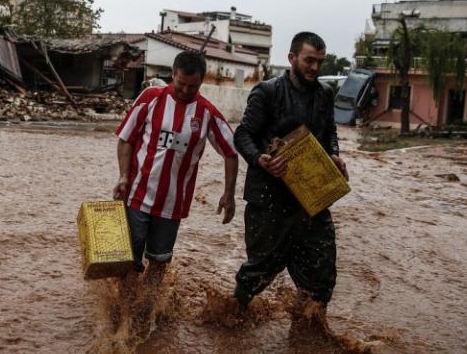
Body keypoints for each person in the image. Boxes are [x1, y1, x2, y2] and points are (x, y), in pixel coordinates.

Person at [232, 32, 349, 319]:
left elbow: (329, 133)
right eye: (309, 60)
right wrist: (260, 159)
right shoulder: (267, 92)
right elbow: (243, 134)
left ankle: (306, 335)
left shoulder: (324, 94)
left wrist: (334, 154)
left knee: (321, 276)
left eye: (320, 62)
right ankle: (232, 318)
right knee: (259, 272)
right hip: (269, 197)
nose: (315, 68)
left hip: (311, 197)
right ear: (292, 58)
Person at [113, 51, 239, 280]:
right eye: (180, 84)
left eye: (193, 87)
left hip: (172, 205)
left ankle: (147, 312)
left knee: (159, 264)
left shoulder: (207, 113)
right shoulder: (150, 97)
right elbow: (125, 139)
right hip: (136, 196)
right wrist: (123, 176)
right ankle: (122, 311)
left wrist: (229, 194)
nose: (185, 91)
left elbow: (231, 153)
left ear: (201, 81)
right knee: (128, 261)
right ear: (172, 74)